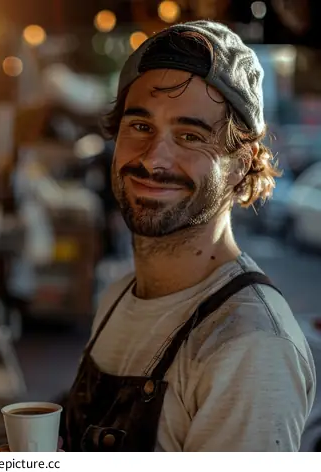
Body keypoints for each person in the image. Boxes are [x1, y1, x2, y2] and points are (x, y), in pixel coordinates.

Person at [59, 20, 317, 452]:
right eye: (139, 126)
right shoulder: (120, 294)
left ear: (241, 163)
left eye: (190, 135)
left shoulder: (250, 345)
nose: (154, 159)